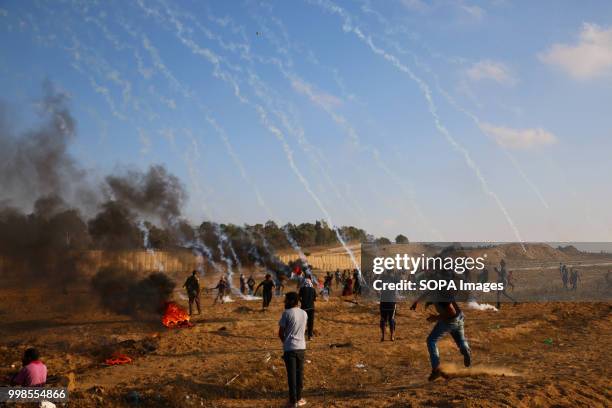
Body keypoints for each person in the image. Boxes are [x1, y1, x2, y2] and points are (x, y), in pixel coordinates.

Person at [410, 294, 471, 381]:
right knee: (460, 339)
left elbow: (451, 312)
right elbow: (427, 293)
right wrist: (416, 302)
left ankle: (436, 369)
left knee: (431, 340)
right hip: (460, 317)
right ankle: (465, 348)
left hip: (450, 320)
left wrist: (435, 317)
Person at [278, 292, 308, 407]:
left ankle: (292, 401)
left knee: (291, 376)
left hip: (290, 349)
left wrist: (286, 343)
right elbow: (303, 330)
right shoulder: (304, 313)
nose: (285, 302)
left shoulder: (286, 313)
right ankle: (299, 398)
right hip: (301, 348)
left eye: (286, 300)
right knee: (299, 374)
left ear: (291, 301)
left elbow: (281, 333)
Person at [379, 270, 398, 341]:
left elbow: (376, 286)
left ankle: (383, 336)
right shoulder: (395, 278)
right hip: (391, 301)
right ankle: (392, 336)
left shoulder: (382, 278)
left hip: (383, 301)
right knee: (391, 319)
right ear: (392, 271)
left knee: (383, 319)